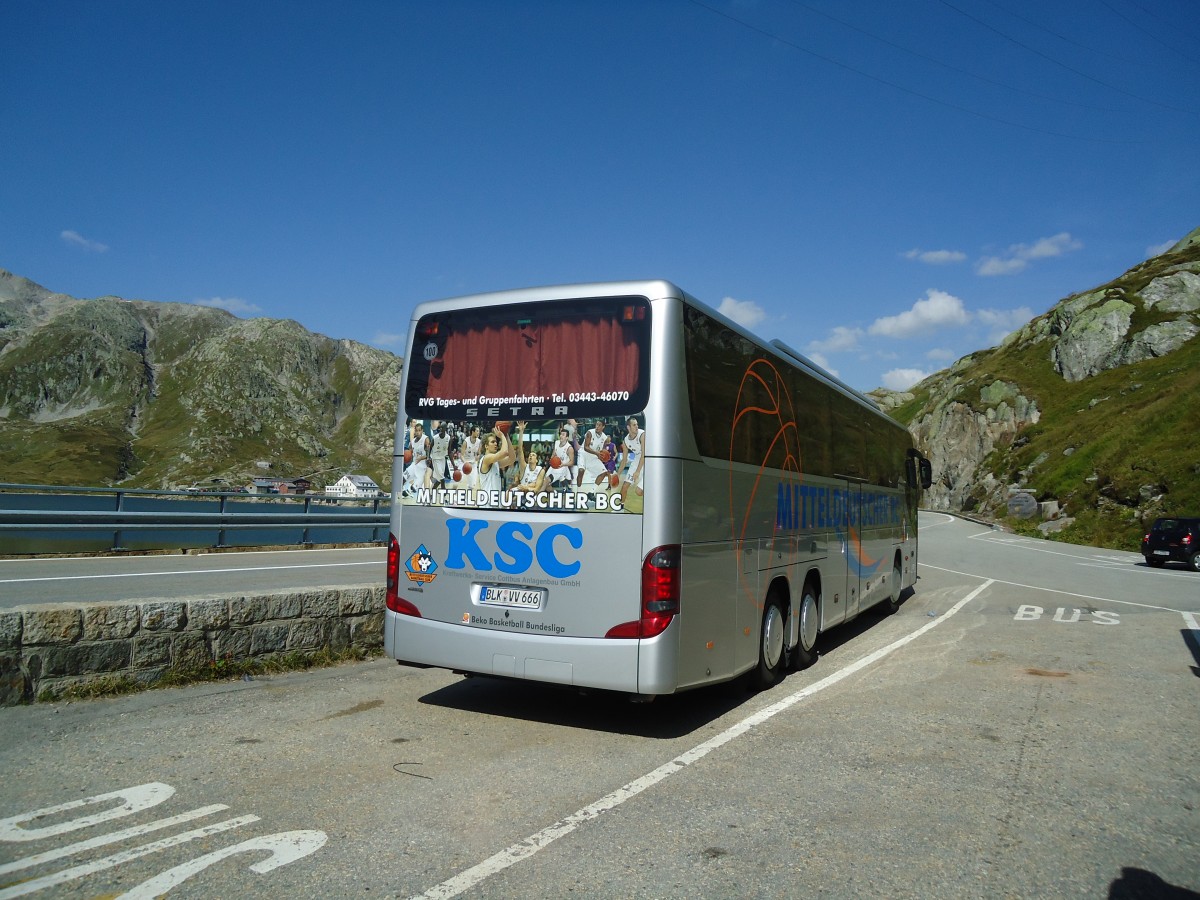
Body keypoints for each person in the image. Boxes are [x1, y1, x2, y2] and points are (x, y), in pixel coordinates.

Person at [477, 424, 516, 500]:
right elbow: (504, 452)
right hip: (487, 505)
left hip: (495, 503)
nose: (496, 444)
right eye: (492, 442)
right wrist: (502, 436)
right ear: (486, 446)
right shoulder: (486, 458)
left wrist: (506, 436)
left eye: (496, 442)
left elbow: (512, 458)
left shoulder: (495, 462)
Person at [512, 422, 547, 497]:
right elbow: (520, 450)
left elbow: (537, 489)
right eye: (530, 455)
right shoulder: (524, 467)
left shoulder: (541, 470)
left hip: (532, 494)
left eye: (533, 455)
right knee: (509, 492)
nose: (530, 456)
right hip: (521, 492)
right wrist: (521, 432)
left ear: (537, 460)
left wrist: (526, 487)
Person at [578, 418, 610, 492]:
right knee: (581, 471)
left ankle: (591, 492)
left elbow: (602, 451)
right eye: (596, 425)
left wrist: (604, 456)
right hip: (583, 453)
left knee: (604, 472)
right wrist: (597, 453)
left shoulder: (605, 438)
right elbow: (586, 447)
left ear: (603, 427)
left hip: (593, 456)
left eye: (599, 425)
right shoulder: (590, 433)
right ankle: (579, 492)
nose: (597, 427)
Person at [619, 416, 645, 502]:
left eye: (637, 424)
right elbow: (624, 460)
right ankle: (620, 509)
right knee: (624, 486)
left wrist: (637, 471)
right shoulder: (625, 441)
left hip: (648, 459)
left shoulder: (642, 435)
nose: (637, 426)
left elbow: (643, 455)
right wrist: (617, 474)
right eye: (634, 425)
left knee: (638, 491)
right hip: (637, 459)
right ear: (628, 427)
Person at [403, 421, 431, 498]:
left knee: (414, 488)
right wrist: (406, 457)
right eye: (416, 430)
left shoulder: (426, 439)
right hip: (414, 464)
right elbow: (410, 452)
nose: (418, 432)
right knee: (403, 478)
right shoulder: (412, 442)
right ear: (414, 431)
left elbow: (429, 453)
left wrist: (423, 458)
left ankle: (409, 491)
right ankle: (401, 492)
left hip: (422, 467)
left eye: (419, 430)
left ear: (422, 431)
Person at [547, 426, 575, 491]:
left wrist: (563, 464)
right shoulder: (556, 442)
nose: (561, 436)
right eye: (560, 434)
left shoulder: (569, 448)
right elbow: (554, 453)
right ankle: (562, 489)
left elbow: (572, 462)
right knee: (545, 480)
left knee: (567, 482)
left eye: (563, 435)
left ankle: (568, 489)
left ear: (567, 437)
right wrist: (551, 459)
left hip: (564, 465)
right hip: (556, 464)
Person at [429, 422, 451, 488]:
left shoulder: (448, 438)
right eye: (440, 427)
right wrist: (428, 458)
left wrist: (454, 465)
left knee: (439, 479)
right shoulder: (435, 438)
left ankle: (432, 492)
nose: (440, 429)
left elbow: (449, 452)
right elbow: (430, 448)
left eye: (442, 427)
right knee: (442, 478)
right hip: (435, 459)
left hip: (443, 459)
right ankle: (444, 495)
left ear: (445, 429)